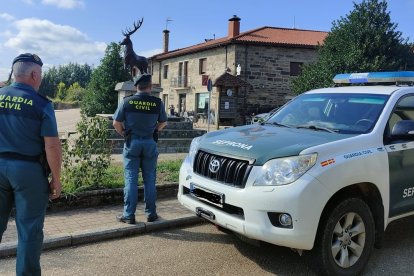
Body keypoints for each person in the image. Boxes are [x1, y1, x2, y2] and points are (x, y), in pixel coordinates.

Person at [0, 53, 62, 275]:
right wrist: (56, 178)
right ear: (34, 75)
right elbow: (52, 146)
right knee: (29, 231)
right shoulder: (41, 104)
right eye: (41, 75)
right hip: (29, 172)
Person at [113, 73, 167, 224]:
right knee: (150, 180)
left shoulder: (127, 102)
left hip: (132, 143)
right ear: (150, 87)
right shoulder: (157, 103)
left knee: (131, 179)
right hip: (150, 142)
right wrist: (154, 130)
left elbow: (116, 123)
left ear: (136, 87)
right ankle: (151, 214)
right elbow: (163, 122)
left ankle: (129, 215)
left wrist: (124, 133)